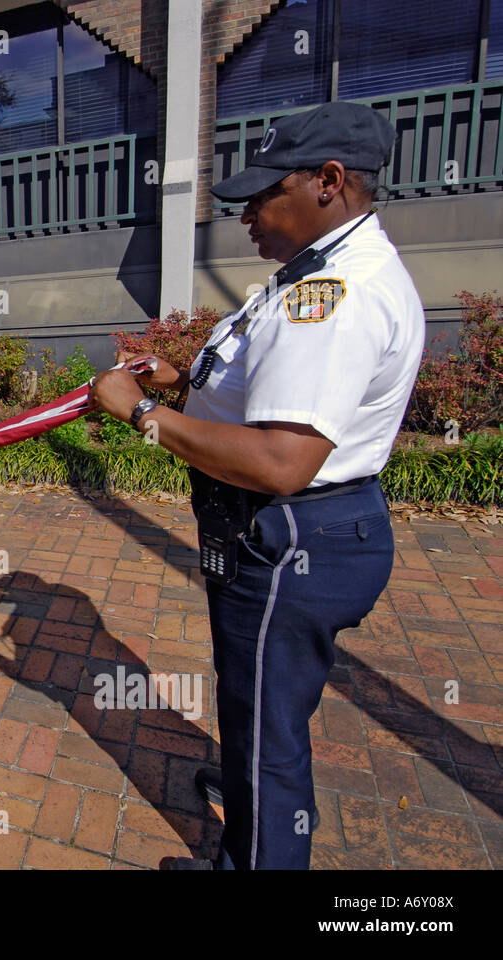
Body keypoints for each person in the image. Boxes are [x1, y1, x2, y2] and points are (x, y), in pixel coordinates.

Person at [89, 101, 423, 869]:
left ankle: (256, 846)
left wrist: (141, 411)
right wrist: (183, 381)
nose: (246, 216)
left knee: (269, 732)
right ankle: (249, 795)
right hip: (290, 533)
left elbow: (280, 459)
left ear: (330, 182)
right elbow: (267, 387)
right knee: (255, 706)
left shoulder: (334, 295)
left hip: (290, 534)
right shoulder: (317, 269)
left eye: (263, 196)